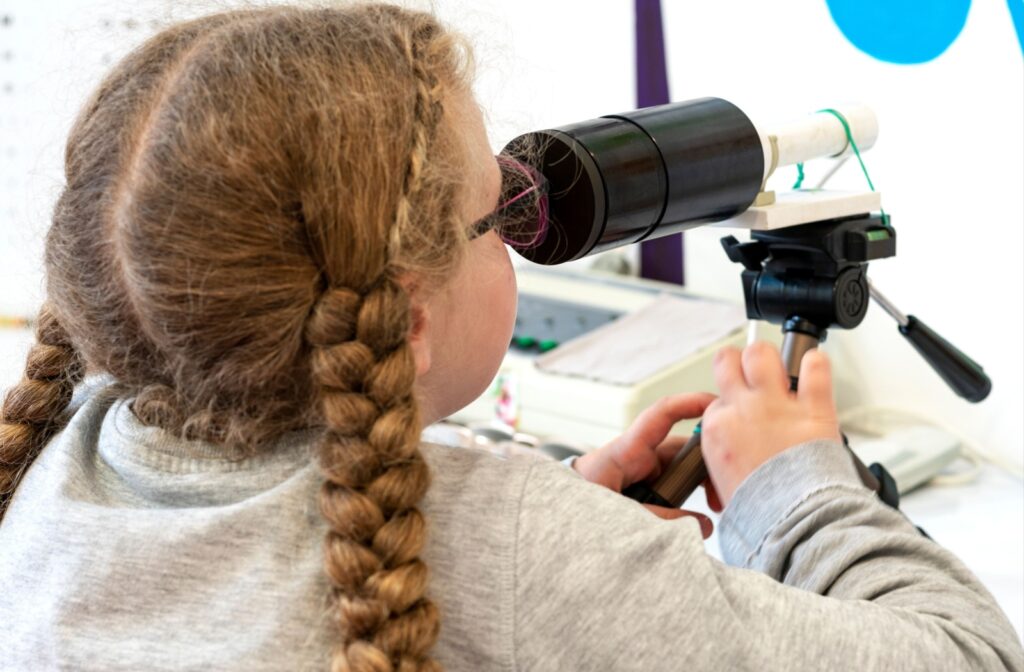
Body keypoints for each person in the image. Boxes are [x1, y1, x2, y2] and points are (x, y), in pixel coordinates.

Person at [0, 5, 1020, 671]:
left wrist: (569, 536)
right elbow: (969, 656)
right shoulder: (512, 549)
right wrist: (796, 490)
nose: (526, 224)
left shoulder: (51, 471)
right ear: (407, 319)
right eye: (500, 212)